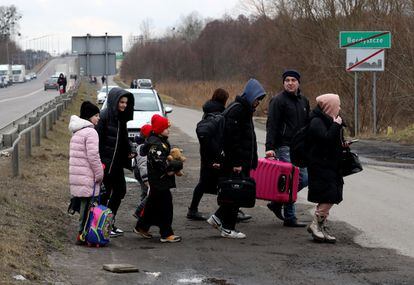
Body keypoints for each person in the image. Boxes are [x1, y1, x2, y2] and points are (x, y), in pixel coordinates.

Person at [207, 78, 266, 239]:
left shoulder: (242, 109)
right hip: (236, 162)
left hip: (239, 161)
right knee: (236, 193)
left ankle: (217, 218)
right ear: (251, 95)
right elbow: (232, 140)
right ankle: (228, 228)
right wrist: (237, 163)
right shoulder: (239, 110)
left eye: (260, 100)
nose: (258, 103)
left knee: (234, 193)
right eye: (257, 99)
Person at [265, 69, 310, 227]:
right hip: (284, 146)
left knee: (304, 179)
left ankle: (277, 201)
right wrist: (269, 147)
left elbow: (307, 126)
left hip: (300, 147)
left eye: (293, 80)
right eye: (287, 80)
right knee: (292, 180)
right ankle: (290, 217)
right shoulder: (278, 101)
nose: (290, 83)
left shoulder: (304, 101)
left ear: (298, 82)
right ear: (283, 83)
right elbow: (272, 125)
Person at [134, 114, 183, 243]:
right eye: (166, 128)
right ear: (159, 129)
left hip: (158, 180)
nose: (169, 130)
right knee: (166, 206)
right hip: (159, 180)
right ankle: (166, 233)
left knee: (152, 204)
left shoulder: (159, 141)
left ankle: (142, 227)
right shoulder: (156, 145)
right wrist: (176, 166)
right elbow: (160, 163)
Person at [96, 87, 135, 237]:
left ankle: (109, 222)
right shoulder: (104, 116)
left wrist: (131, 148)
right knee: (105, 196)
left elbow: (124, 138)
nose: (124, 105)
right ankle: (102, 226)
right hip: (106, 165)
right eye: (121, 102)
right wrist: (99, 163)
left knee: (120, 191)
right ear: (114, 101)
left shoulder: (121, 118)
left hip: (117, 164)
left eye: (126, 102)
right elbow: (97, 142)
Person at [306, 94, 346, 243]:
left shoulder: (328, 120)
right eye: (338, 105)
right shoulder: (316, 122)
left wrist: (343, 144)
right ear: (330, 106)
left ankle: (320, 226)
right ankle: (316, 224)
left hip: (330, 165)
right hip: (321, 166)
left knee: (329, 194)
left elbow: (332, 141)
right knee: (329, 195)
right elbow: (325, 140)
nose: (339, 108)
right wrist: (336, 126)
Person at [187, 88, 229, 221]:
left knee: (203, 182)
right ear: (224, 100)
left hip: (205, 151)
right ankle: (227, 211)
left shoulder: (207, 109)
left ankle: (193, 209)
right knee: (223, 181)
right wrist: (218, 154)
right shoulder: (220, 112)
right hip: (214, 151)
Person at [68, 101, 103, 245]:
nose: (98, 118)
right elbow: (93, 156)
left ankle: (81, 233)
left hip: (78, 175)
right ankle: (85, 234)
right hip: (87, 175)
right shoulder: (91, 132)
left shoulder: (77, 131)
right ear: (89, 116)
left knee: (83, 205)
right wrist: (99, 173)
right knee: (89, 207)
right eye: (96, 115)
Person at [133, 124, 152, 219]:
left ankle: (144, 213)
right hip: (143, 174)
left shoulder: (143, 145)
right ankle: (139, 211)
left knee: (145, 193)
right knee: (149, 192)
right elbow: (142, 164)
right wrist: (145, 178)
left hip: (141, 172)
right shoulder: (142, 147)